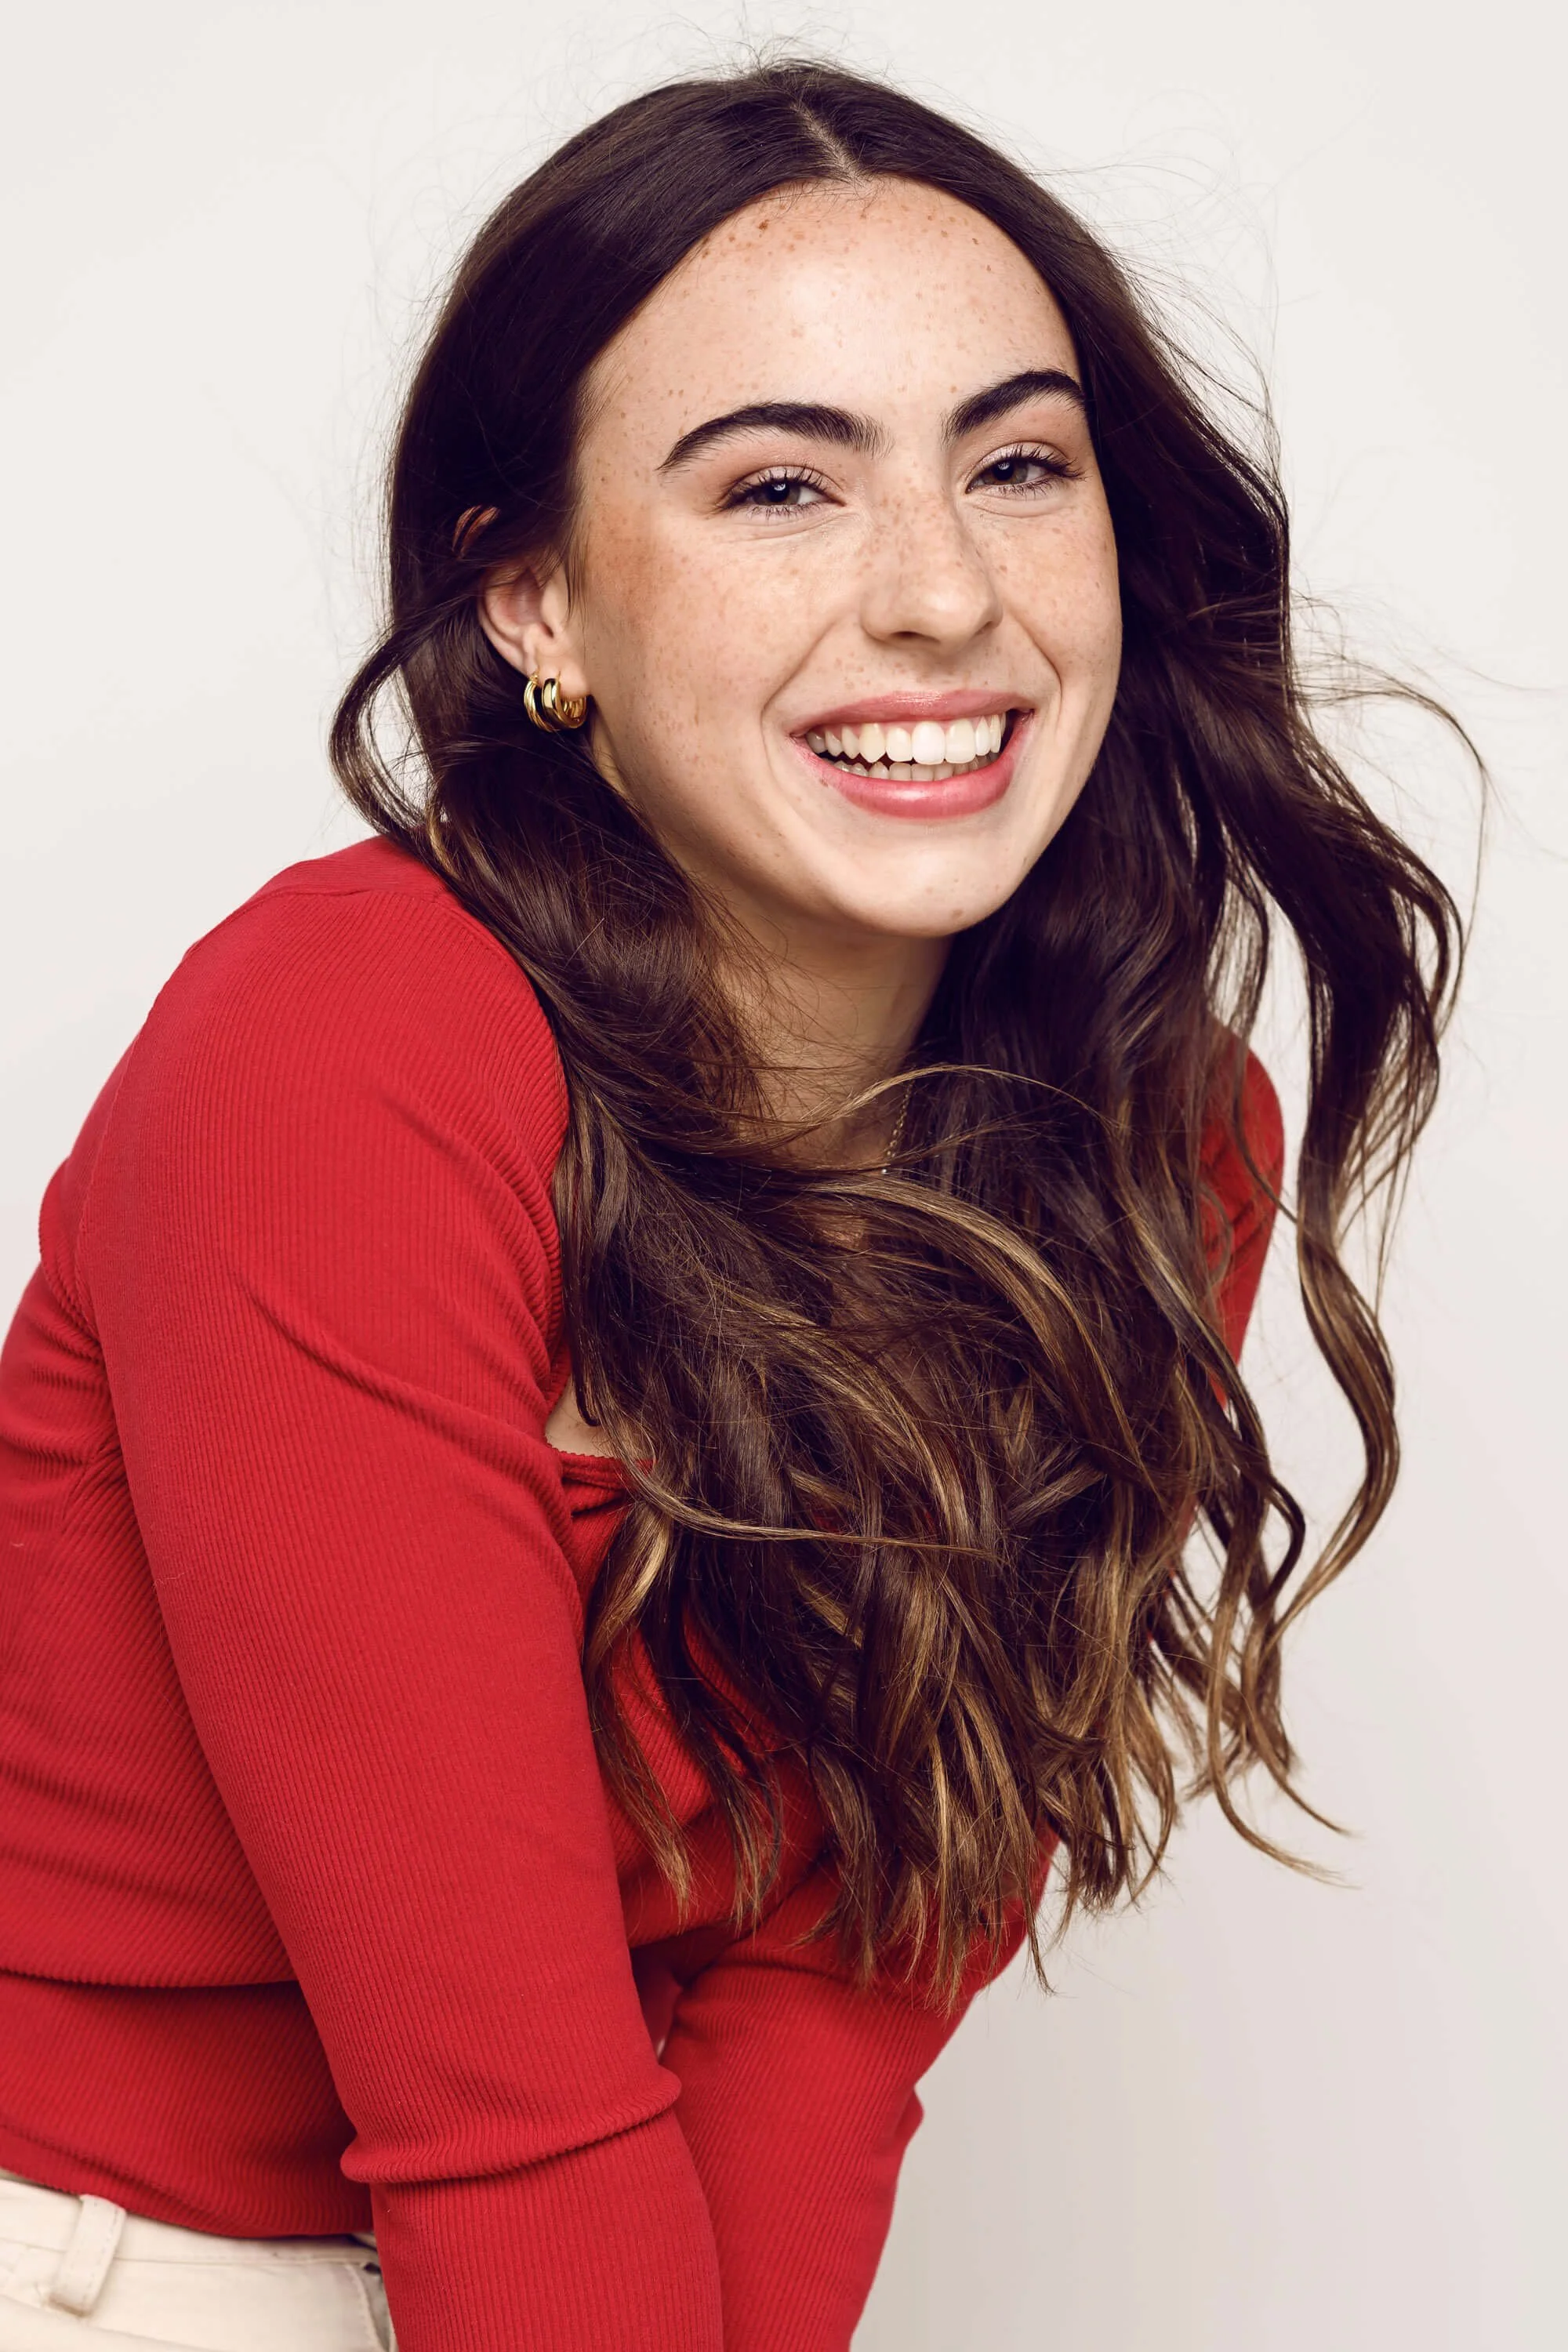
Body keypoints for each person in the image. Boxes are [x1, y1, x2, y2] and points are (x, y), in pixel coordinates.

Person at [0, 57, 1460, 2352]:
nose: (942, 593)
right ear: (538, 602)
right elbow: (501, 2115)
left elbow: (826, 2029)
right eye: (780, 485)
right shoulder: (344, 1048)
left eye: (1018, 465)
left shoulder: (1157, 1134)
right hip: (95, 2258)